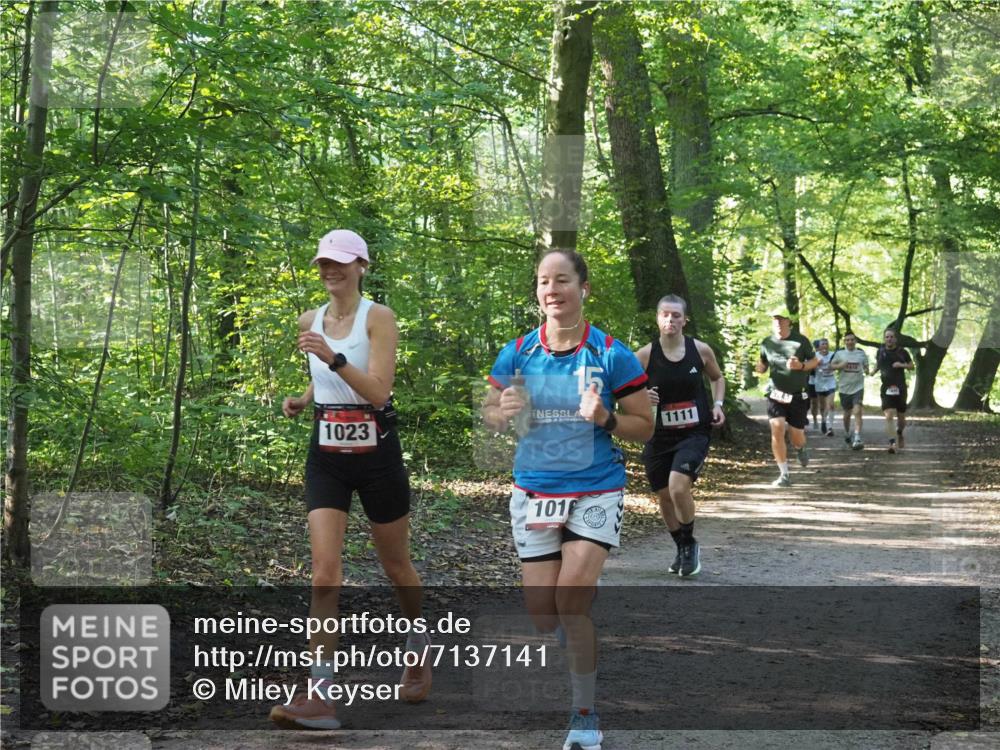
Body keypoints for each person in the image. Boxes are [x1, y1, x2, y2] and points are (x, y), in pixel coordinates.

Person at [482, 249, 653, 750]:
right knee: (544, 616)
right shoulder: (517, 353)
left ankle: (585, 716)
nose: (551, 290)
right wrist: (501, 409)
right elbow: (491, 415)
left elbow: (645, 427)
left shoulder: (610, 354)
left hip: (596, 486)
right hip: (534, 488)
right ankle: (583, 650)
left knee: (571, 603)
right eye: (543, 282)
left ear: (584, 288)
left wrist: (607, 418)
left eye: (562, 280)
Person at [270, 229, 431, 730]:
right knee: (323, 572)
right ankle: (320, 695)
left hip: (377, 455)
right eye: (322, 263)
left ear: (362, 265)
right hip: (327, 457)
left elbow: (378, 391)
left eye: (339, 262)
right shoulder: (308, 320)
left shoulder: (378, 317)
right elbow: (329, 379)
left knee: (396, 565)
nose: (329, 271)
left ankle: (418, 646)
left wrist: (331, 358)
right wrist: (305, 397)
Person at [635, 295, 725, 578]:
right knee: (664, 495)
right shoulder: (645, 355)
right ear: (658, 319)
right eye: (665, 314)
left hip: (694, 433)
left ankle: (689, 544)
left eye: (676, 315)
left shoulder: (700, 350)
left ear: (685, 320)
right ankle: (682, 547)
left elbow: (717, 378)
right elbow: (622, 392)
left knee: (677, 487)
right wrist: (641, 396)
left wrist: (718, 404)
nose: (670, 320)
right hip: (658, 435)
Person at [755, 309, 819, 487]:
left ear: (788, 322)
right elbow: (763, 364)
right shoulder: (767, 343)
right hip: (775, 394)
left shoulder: (801, 341)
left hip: (798, 395)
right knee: (777, 428)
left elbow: (815, 361)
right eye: (774, 319)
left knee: (796, 435)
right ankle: (784, 474)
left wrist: (801, 365)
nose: (777, 322)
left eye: (781, 319)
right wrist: (759, 368)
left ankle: (801, 448)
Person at [829, 332, 870, 449]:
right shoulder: (839, 353)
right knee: (847, 414)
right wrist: (840, 365)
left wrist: (867, 370)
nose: (850, 342)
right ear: (844, 342)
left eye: (852, 340)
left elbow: (866, 367)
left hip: (858, 387)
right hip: (844, 388)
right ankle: (847, 433)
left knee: (857, 411)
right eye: (847, 340)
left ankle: (857, 437)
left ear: (855, 341)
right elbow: (831, 366)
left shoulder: (861, 353)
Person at [876, 327, 914, 453]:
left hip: (900, 387)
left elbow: (911, 366)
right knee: (889, 415)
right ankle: (892, 443)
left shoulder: (902, 352)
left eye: (891, 337)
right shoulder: (880, 351)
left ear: (895, 339)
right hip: (886, 388)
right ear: (884, 339)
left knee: (901, 418)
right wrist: (872, 371)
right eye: (887, 337)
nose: (889, 339)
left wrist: (901, 365)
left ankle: (899, 432)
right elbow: (878, 364)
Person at [812, 338, 837, 436]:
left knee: (830, 405)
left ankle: (830, 427)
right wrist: (815, 364)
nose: (825, 346)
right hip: (819, 383)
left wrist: (834, 366)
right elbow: (810, 368)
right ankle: (823, 421)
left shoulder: (833, 355)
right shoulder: (815, 356)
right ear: (819, 346)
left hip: (831, 382)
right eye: (822, 344)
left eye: (826, 344)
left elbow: (838, 364)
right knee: (822, 407)